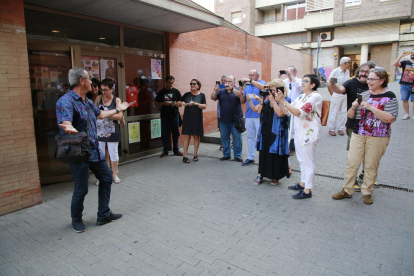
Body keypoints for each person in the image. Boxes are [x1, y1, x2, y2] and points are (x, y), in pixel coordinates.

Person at [56, 67, 129, 233]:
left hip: (94, 150)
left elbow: (101, 115)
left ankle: (103, 214)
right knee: (81, 188)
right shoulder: (66, 101)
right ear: (82, 81)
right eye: (90, 79)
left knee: (106, 177)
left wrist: (119, 110)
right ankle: (76, 219)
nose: (92, 82)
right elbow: (66, 122)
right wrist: (69, 128)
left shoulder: (87, 101)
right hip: (77, 152)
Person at [332, 69, 399, 205]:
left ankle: (367, 192)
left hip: (378, 136)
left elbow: (390, 118)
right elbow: (351, 116)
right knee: (352, 162)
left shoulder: (390, 96)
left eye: (372, 79)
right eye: (368, 79)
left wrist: (370, 107)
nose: (368, 82)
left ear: (381, 81)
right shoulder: (363, 94)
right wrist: (353, 107)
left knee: (370, 165)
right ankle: (347, 190)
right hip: (359, 133)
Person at [328, 62, 376, 192]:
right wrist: (333, 85)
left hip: (372, 125)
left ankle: (365, 175)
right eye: (362, 71)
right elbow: (340, 90)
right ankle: (352, 179)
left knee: (369, 153)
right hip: (354, 124)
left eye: (367, 72)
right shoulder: (351, 83)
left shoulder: (375, 84)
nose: (363, 73)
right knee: (354, 154)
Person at [275, 74, 322, 199]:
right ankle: (303, 183)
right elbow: (288, 111)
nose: (302, 83)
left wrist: (284, 102)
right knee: (301, 160)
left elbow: (299, 113)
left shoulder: (315, 96)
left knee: (308, 162)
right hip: (298, 133)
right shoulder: (301, 96)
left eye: (305, 81)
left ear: (312, 85)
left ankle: (308, 190)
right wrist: (281, 101)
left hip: (309, 134)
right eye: (302, 81)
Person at [247, 79, 290, 185]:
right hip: (265, 130)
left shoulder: (285, 99)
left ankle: (275, 176)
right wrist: (263, 98)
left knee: (275, 155)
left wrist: (273, 100)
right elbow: (259, 111)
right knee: (264, 153)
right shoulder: (267, 100)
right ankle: (260, 174)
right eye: (270, 90)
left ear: (280, 89)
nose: (271, 92)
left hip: (277, 132)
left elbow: (280, 114)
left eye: (274, 90)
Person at [96, 78, 123, 184]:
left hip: (112, 131)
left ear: (112, 89)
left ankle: (114, 174)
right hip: (99, 131)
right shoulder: (98, 98)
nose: (103, 92)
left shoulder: (116, 100)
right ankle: (103, 175)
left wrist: (105, 114)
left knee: (113, 153)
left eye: (105, 90)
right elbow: (95, 113)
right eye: (101, 89)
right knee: (101, 154)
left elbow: (120, 115)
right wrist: (111, 113)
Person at [211, 75, 243, 162]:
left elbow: (241, 98)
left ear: (234, 82)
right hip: (224, 119)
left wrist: (232, 89)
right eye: (226, 81)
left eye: (230, 81)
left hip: (236, 119)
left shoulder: (237, 90)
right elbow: (213, 98)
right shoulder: (221, 91)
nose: (227, 83)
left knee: (237, 138)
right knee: (224, 138)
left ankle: (237, 155)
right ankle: (226, 154)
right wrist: (215, 91)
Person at [238, 70, 266, 166]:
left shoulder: (261, 83)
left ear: (257, 76)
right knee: (250, 137)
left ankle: (263, 157)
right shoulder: (246, 85)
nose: (250, 76)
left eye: (252, 75)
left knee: (261, 137)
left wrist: (250, 80)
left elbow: (263, 88)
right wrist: (241, 93)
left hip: (259, 115)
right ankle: (250, 157)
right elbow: (242, 101)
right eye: (249, 75)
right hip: (249, 115)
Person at [155, 75, 183, 157]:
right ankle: (165, 150)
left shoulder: (176, 91)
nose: (171, 84)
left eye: (172, 83)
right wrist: (163, 103)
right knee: (165, 133)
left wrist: (176, 104)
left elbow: (181, 103)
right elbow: (156, 104)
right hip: (164, 116)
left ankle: (176, 149)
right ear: (165, 82)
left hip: (174, 115)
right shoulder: (161, 92)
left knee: (176, 133)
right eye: (169, 83)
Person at [180, 79, 207, 163]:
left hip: (197, 118)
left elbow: (204, 106)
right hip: (187, 117)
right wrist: (182, 103)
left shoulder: (202, 95)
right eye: (191, 83)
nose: (192, 85)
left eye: (194, 84)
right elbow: (179, 102)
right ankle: (185, 155)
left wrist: (196, 103)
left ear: (198, 85)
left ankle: (195, 154)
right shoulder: (186, 95)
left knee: (196, 136)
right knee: (187, 136)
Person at [279, 66, 302, 156]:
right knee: (287, 127)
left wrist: (291, 76)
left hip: (295, 107)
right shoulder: (284, 82)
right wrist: (279, 76)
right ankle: (287, 146)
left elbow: (298, 86)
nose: (288, 73)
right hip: (285, 105)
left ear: (295, 72)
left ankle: (293, 148)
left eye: (290, 71)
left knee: (293, 128)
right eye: (287, 71)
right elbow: (277, 86)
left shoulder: (299, 80)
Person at [327, 57, 351, 136]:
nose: (350, 64)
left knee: (343, 112)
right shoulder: (336, 71)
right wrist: (332, 94)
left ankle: (341, 128)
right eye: (349, 63)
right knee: (334, 112)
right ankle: (331, 129)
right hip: (337, 94)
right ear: (344, 63)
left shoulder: (347, 71)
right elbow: (329, 84)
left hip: (345, 95)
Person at [392, 49, 414, 120]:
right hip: (404, 84)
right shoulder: (405, 62)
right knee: (405, 100)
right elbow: (394, 64)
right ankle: (407, 114)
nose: (413, 53)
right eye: (412, 52)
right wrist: (401, 56)